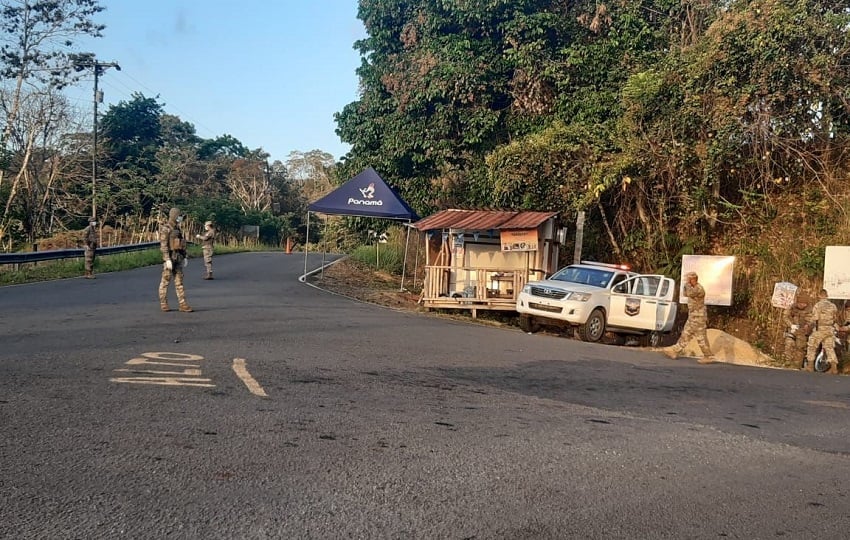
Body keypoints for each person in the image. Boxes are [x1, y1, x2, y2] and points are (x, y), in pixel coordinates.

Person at [663, 271, 716, 364]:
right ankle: (675, 350)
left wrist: (687, 284)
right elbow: (685, 293)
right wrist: (687, 285)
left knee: (701, 337)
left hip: (699, 317)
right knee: (686, 333)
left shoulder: (699, 288)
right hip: (693, 316)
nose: (686, 281)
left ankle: (708, 356)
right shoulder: (692, 287)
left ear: (693, 279)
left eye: (688, 279)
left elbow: (690, 293)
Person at [158, 207, 192, 312]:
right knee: (165, 282)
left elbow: (181, 243)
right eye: (179, 216)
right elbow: (163, 245)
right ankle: (163, 303)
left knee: (179, 282)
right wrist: (167, 259)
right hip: (170, 258)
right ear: (174, 216)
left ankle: (183, 304)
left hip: (178, 258)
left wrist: (185, 256)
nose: (180, 218)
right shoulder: (166, 229)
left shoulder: (177, 229)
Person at [805, 289, 838, 373]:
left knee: (812, 346)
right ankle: (834, 368)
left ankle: (810, 366)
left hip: (820, 329)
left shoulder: (818, 305)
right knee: (829, 348)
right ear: (827, 295)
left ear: (819, 295)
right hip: (830, 329)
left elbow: (815, 318)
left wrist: (809, 323)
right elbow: (835, 318)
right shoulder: (833, 306)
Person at [782, 290, 812, 368]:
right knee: (788, 344)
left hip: (802, 332)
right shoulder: (792, 307)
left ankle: (797, 365)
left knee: (800, 348)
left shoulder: (810, 310)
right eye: (800, 303)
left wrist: (807, 325)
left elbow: (812, 320)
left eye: (804, 304)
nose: (802, 305)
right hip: (793, 330)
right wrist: (791, 325)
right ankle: (787, 362)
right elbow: (785, 316)